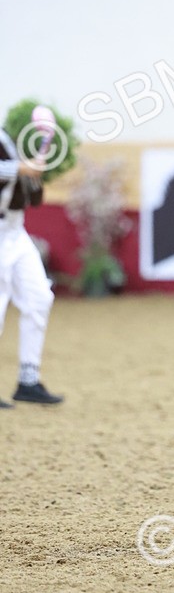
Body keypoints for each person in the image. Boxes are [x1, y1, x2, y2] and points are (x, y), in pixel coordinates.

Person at [0, 125, 63, 406]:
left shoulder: (8, 136)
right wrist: (20, 169)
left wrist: (36, 172)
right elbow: (16, 171)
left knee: (39, 297)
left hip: (15, 229)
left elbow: (33, 195)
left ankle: (28, 378)